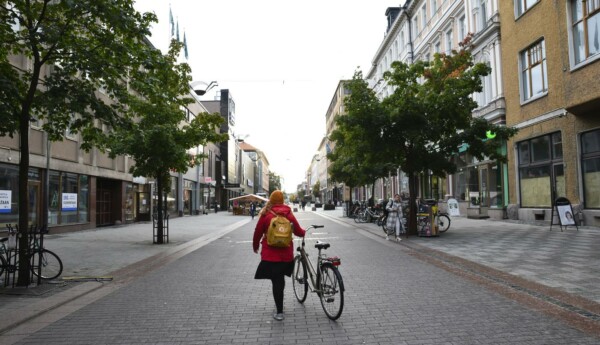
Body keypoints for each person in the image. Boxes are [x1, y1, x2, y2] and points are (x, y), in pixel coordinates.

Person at [252, 190, 306, 321]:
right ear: (282, 200)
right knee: (279, 280)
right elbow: (298, 231)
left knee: (276, 281)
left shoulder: (266, 214)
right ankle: (280, 304)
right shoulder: (288, 213)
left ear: (271, 199)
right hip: (286, 255)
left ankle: (280, 312)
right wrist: (304, 232)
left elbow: (258, 231)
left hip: (270, 255)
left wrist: (255, 246)